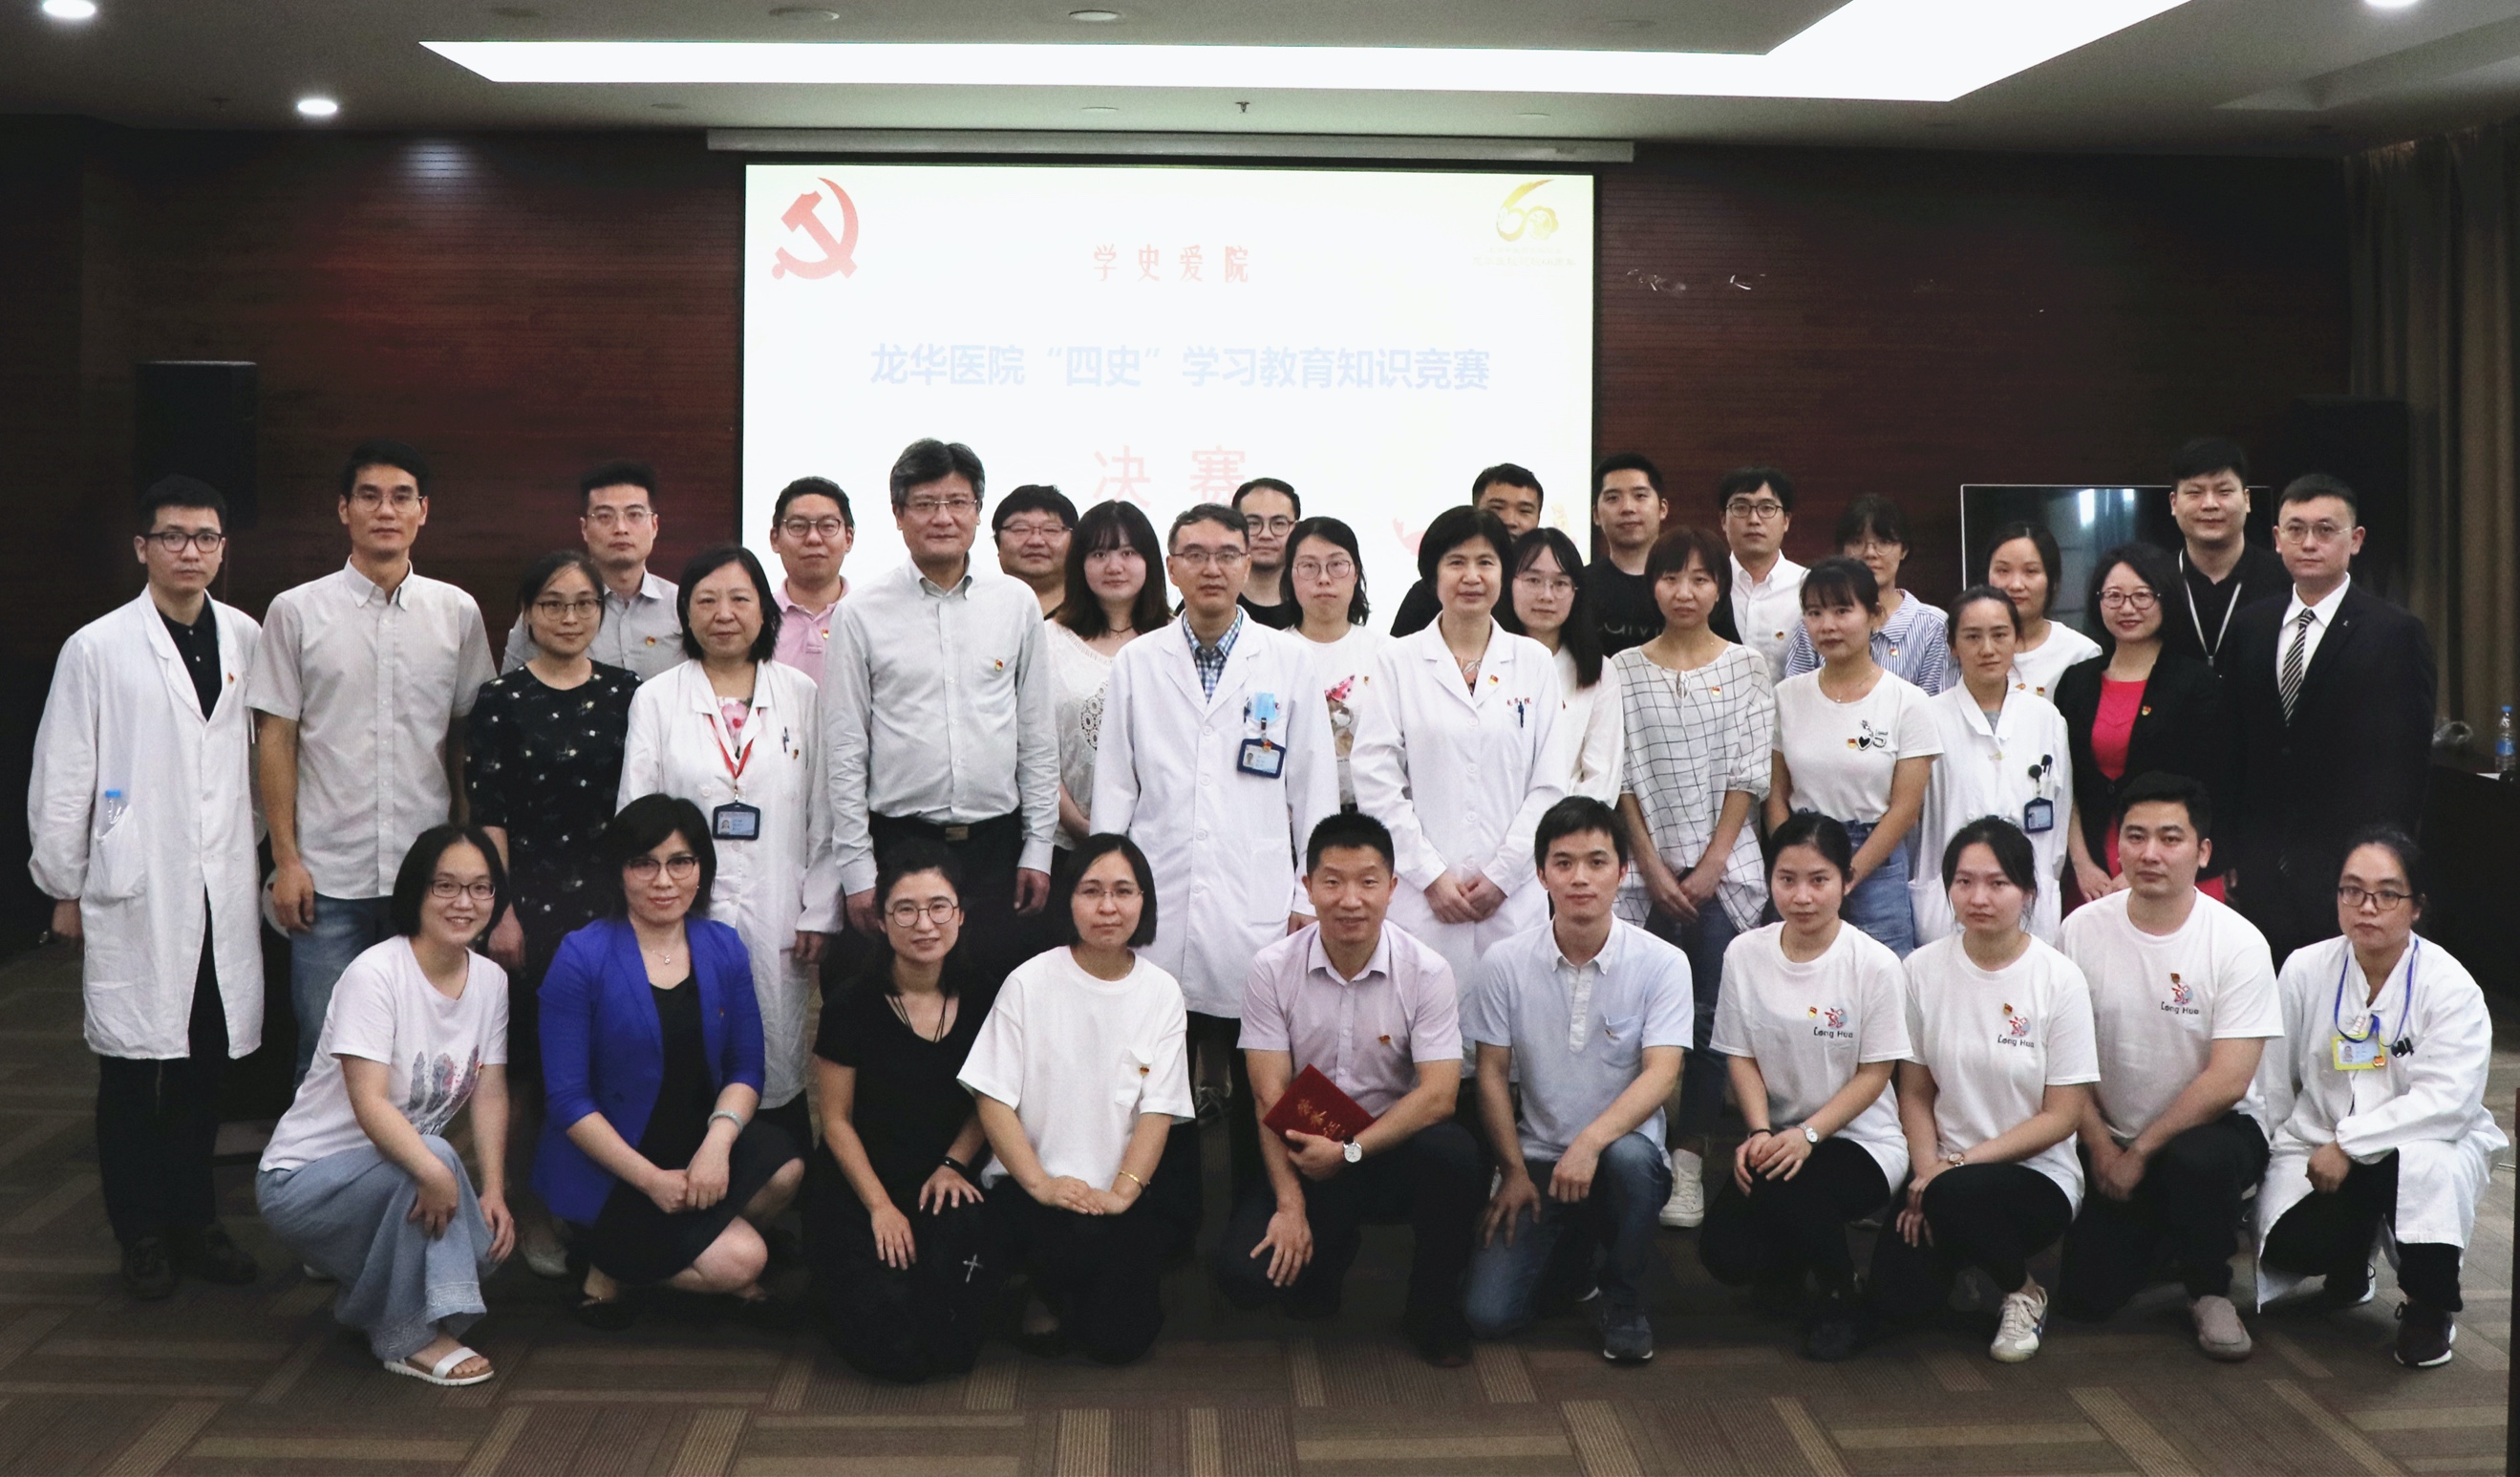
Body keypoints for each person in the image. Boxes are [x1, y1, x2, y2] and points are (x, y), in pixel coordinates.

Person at [30, 475, 264, 1298]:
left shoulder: (246, 636)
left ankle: (196, 1221)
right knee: (132, 1067)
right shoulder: (96, 647)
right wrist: (64, 884)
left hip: (219, 880)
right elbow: (65, 772)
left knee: (204, 1066)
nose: (189, 551)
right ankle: (141, 1235)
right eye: (172, 536)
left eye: (205, 537)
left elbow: (258, 761)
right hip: (133, 882)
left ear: (223, 549)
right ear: (142, 547)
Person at [1094, 503, 1338, 1202]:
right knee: (1156, 1068)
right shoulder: (1140, 661)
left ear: (1249, 563)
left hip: (1256, 899)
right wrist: (1110, 892)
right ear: (1171, 568)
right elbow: (1115, 786)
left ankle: (1262, 1213)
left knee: (1264, 1068)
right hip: (1159, 896)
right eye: (1194, 555)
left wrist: (1307, 894)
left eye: (1227, 554)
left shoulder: (1288, 660)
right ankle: (1166, 1221)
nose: (1212, 568)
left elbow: (1313, 789)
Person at [249, 439, 498, 1080]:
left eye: (401, 497)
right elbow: (275, 739)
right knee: (326, 1048)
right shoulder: (296, 611)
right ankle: (322, 1152)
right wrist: (286, 860)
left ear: (423, 511)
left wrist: (466, 850)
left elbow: (465, 738)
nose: (386, 510)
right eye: (369, 496)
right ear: (344, 510)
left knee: (422, 1048)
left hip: (427, 873)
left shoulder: (456, 612)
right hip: (327, 874)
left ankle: (414, 1153)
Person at [1214, 812, 1484, 1366]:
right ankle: (1326, 1245)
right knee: (1245, 1279)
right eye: (1332, 882)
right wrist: (1289, 1205)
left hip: (1385, 1146)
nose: (1350, 900)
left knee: (1454, 1155)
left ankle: (1431, 1309)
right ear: (1308, 887)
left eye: (1367, 882)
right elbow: (1268, 1095)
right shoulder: (1271, 968)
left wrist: (1352, 1150)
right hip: (1305, 1147)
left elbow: (1439, 1095)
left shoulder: (1427, 971)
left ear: (1392, 887)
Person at [255, 825, 515, 1386]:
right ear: (416, 891)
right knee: (434, 1162)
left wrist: (493, 1188)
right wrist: (433, 1171)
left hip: (394, 1171)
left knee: (483, 1252)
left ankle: (369, 1301)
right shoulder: (375, 974)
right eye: (446, 886)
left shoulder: (490, 981)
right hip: (304, 1180)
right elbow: (369, 1103)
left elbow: (490, 1089)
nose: (465, 902)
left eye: (481, 888)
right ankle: (407, 1337)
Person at [535, 796, 805, 1328]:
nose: (664, 881)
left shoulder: (723, 946)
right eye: (644, 863)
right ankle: (610, 1261)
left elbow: (746, 1067)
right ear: (619, 872)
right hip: (613, 1163)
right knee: (745, 1261)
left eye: (680, 862)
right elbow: (567, 1101)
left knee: (786, 1170)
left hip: (694, 1144)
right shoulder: (581, 955)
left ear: (701, 869)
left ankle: (636, 1259)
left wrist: (716, 1146)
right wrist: (651, 1181)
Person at [2256, 828, 2507, 1369]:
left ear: (2416, 906)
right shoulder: (2304, 968)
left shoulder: (2450, 987)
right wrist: (2267, 1154)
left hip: (2421, 1143)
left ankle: (2429, 1308)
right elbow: (2273, 1078)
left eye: (2387, 894)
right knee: (2288, 1242)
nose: (2367, 907)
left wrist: (2352, 1145)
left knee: (2430, 1172)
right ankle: (2350, 1261)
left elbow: (2448, 1101)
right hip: (2320, 1139)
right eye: (2352, 890)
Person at [2055, 772, 2279, 1360]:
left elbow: (2228, 1081)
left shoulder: (2238, 942)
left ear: (2202, 852)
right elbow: (2062, 1063)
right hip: (2110, 1133)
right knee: (2085, 1298)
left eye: (2170, 838)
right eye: (2136, 836)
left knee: (2196, 1161)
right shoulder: (2079, 931)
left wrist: (2140, 1154)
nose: (2150, 853)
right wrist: (2103, 1149)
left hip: (2211, 1132)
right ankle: (2164, 1232)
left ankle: (2209, 1288)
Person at [620, 545, 838, 1150]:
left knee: (774, 1042)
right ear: (685, 613)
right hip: (681, 909)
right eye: (706, 600)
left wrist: (820, 909)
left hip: (780, 905)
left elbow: (824, 812)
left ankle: (778, 1171)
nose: (723, 614)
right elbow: (636, 815)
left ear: (764, 610)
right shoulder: (656, 698)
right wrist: (650, 906)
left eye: (740, 599)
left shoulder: (801, 693)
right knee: (690, 1040)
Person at [1463, 798, 1690, 1363]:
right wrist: (1512, 1170)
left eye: (1596, 862)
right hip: (1539, 1159)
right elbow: (1491, 1074)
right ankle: (1575, 1255)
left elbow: (1663, 1073)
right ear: (1541, 875)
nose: (1580, 878)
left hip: (1620, 1156)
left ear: (1623, 871)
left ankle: (1623, 1297)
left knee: (1632, 1161)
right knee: (1487, 1316)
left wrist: (1590, 1143)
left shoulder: (1663, 962)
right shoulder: (1504, 962)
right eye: (1563, 863)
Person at [465, 549, 641, 1276]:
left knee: (608, 1058)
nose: (569, 617)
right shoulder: (500, 700)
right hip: (529, 907)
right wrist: (500, 912)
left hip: (612, 906)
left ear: (602, 611)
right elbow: (490, 815)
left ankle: (597, 1206)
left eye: (583, 604)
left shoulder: (631, 693)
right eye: (552, 604)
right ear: (528, 614)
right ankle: (531, 1210)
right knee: (533, 1067)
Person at [827, 439, 1059, 983]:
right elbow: (845, 748)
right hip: (899, 843)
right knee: (900, 999)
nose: (943, 517)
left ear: (978, 512)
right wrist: (857, 869)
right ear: (898, 514)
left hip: (995, 847)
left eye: (958, 502)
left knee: (992, 995)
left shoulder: (1016, 603)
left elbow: (1037, 738)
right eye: (926, 503)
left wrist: (1038, 849)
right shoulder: (861, 613)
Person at [960, 834, 1197, 1364]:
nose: (1107, 907)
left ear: (1144, 902)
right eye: (1091, 891)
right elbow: (992, 1099)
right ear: (1068, 901)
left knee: (1123, 1341)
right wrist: (1042, 1185)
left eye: (1123, 891)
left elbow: (1158, 1110)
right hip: (1030, 1184)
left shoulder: (1162, 993)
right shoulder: (1029, 982)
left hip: (1115, 1188)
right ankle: (1039, 1287)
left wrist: (1123, 1194)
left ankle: (1067, 1290)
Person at [1869, 819, 2098, 1364]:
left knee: (1957, 1197)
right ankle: (1970, 1257)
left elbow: (2062, 1116)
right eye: (1964, 882)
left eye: (1998, 884)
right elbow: (1915, 1093)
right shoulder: (1920, 970)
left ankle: (2023, 1291)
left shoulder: (2059, 979)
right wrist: (1927, 1171)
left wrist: (1954, 1170)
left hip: (2036, 1174)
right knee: (1894, 1303)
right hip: (1941, 1168)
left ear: (2029, 892)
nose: (1979, 898)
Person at [1608, 526, 1774, 1230]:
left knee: (1711, 1020)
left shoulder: (1746, 666)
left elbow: (1748, 773)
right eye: (1671, 577)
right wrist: (1649, 862)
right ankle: (1632, 1145)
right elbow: (1619, 774)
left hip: (1723, 871)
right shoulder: (1621, 669)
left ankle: (1690, 1156)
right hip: (1640, 872)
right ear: (1653, 585)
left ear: (1720, 589)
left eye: (1701, 579)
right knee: (1626, 1017)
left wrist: (1710, 864)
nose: (1685, 592)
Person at [1698, 814, 1909, 1361]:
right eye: (1786, 879)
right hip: (1779, 1136)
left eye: (1819, 880)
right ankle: (1793, 1260)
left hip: (1862, 1141)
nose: (1802, 896)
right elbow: (1740, 1055)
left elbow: (1876, 1074)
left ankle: (1843, 1295)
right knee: (1724, 1253)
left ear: (1846, 880)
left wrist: (1808, 1135)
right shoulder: (1745, 953)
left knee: (1789, 1187)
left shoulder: (1875, 964)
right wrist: (1759, 1132)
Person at [801, 842, 1002, 1382]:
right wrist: (880, 1207)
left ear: (960, 915)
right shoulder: (850, 1003)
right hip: (862, 1180)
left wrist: (955, 1164)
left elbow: (993, 1100)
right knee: (893, 1347)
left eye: (939, 907)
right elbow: (835, 1121)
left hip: (944, 1176)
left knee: (952, 1341)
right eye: (906, 910)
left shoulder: (987, 996)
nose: (925, 924)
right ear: (882, 920)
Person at [2219, 474, 2437, 966]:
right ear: (2277, 539)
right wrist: (2231, 848)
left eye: (2325, 530)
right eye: (2295, 529)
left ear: (2354, 540)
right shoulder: (2252, 626)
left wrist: (2389, 862)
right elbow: (2235, 746)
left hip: (2350, 864)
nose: (2309, 543)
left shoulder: (2395, 633)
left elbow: (2407, 763)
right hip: (2261, 857)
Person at [1351, 506, 1566, 991]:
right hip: (1421, 898)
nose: (1472, 576)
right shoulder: (1398, 661)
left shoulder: (1533, 661)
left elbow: (1550, 785)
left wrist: (1503, 876)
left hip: (1513, 899)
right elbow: (1376, 779)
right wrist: (1430, 875)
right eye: (1456, 562)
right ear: (1432, 575)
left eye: (1486, 562)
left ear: (1504, 574)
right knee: (1423, 1019)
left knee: (1510, 1021)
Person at [1767, 557, 1941, 957]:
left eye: (1842, 610)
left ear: (1874, 616)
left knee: (1885, 976)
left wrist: (1847, 875)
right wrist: (1794, 861)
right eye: (1815, 613)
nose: (1827, 625)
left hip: (1876, 862)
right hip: (1802, 856)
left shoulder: (1908, 701)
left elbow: (1906, 809)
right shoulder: (1786, 696)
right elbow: (1775, 794)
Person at [2054, 544, 2229, 906]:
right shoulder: (2076, 682)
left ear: (2166, 598)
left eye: (2142, 596)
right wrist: (2082, 863)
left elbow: (2213, 784)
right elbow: (2063, 780)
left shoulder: (2197, 683)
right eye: (2114, 596)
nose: (2127, 608)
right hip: (2091, 875)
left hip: (2172, 866)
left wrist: (2136, 868)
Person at [1911, 588, 2072, 946]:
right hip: (1948, 900)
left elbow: (2060, 815)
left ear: (2016, 639)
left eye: (2000, 635)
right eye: (1972, 637)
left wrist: (2045, 876)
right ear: (1953, 645)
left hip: (2030, 898)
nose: (1987, 649)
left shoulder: (2046, 718)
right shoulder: (1926, 717)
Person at [1046, 500, 1165, 858]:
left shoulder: (1177, 640)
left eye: (1128, 553)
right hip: (1065, 843)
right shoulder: (1048, 640)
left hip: (1162, 844)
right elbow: (1035, 748)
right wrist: (1078, 824)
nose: (1114, 566)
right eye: (1099, 554)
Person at [500, 460, 682, 680]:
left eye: (634, 515)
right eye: (604, 516)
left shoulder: (682, 607)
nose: (621, 528)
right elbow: (511, 689)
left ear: (654, 526)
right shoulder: (549, 610)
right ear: (584, 528)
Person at [1783, 495, 1953, 694]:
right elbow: (1795, 695)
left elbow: (1936, 704)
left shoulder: (1934, 625)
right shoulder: (1816, 622)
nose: (1870, 553)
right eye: (1857, 542)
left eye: (1883, 542)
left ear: (1904, 550)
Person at [1508, 528, 1621, 802]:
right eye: (1533, 580)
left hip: (1569, 824)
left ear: (1576, 592)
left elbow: (1600, 781)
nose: (1546, 595)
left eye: (1560, 583)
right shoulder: (1487, 663)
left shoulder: (1599, 672)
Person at [2160, 437, 2287, 668]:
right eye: (2195, 493)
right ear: (2174, 503)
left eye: (2224, 491)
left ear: (2247, 500)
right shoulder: (2153, 581)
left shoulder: (2286, 579)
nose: (2210, 504)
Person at [1286, 516, 1385, 807]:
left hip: (1370, 815)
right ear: (1290, 576)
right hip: (1291, 813)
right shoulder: (1271, 652)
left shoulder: (1387, 654)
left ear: (1356, 574)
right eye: (1309, 566)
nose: (1324, 579)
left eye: (1337, 565)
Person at [1390, 465, 1545, 637]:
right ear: (1476, 512)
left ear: (1538, 518)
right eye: (1497, 508)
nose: (1510, 521)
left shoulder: (1551, 593)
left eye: (1524, 511)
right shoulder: (1432, 593)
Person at [1984, 522, 2100, 702]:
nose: (2016, 585)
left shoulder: (2080, 654)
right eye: (2003, 570)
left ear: (2053, 582)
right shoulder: (1968, 647)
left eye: (2030, 571)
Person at [1719, 466, 1807, 681]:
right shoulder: (1706, 583)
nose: (1754, 519)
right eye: (1741, 507)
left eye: (1767, 508)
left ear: (1786, 521)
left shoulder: (1809, 587)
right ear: (1723, 520)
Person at [766, 476, 855, 685]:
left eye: (828, 526)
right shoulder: (756, 621)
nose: (813, 538)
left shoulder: (867, 618)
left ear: (848, 539)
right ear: (775, 539)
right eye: (798, 526)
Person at [1588, 454, 1669, 656]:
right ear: (1596, 515)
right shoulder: (1579, 585)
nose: (1627, 508)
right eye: (1613, 498)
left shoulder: (1691, 585)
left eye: (1640, 496)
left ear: (1662, 509)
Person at [993, 483, 1077, 618]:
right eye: (1020, 529)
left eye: (1051, 530)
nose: (1036, 541)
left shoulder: (1099, 614)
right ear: (998, 544)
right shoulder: (977, 610)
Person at [1231, 477, 1303, 630]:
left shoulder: (1312, 601)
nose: (1266, 535)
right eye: (1253, 523)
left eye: (1279, 524)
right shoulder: (1214, 598)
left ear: (1296, 530)